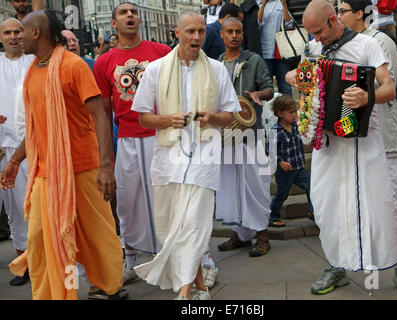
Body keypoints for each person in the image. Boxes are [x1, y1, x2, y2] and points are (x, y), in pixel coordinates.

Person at [286, 0, 397, 297]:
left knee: (383, 205)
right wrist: (293, 76)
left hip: (363, 139)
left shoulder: (367, 45)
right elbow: (300, 76)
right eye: (312, 34)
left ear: (334, 20)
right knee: (325, 206)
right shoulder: (314, 49)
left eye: (319, 31)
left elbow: (389, 89)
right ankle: (336, 264)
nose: (316, 39)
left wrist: (367, 95)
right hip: (328, 143)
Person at [0, 9, 127, 300]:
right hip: (46, 171)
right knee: (42, 240)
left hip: (83, 168)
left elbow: (100, 117)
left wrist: (106, 166)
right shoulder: (33, 70)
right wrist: (16, 160)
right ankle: (54, 294)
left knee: (96, 236)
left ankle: (106, 287)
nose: (17, 36)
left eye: (23, 30)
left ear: (36, 33)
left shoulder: (73, 66)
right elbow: (36, 128)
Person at [131, 10, 240, 300]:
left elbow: (230, 115)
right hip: (168, 159)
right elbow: (142, 118)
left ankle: (183, 293)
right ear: (177, 33)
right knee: (172, 228)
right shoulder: (155, 69)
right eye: (190, 31)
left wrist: (213, 117)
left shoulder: (217, 69)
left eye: (201, 31)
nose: (196, 37)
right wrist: (168, 120)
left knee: (194, 223)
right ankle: (200, 285)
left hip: (204, 155)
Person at [93, 2, 172, 286]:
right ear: (114, 23)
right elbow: (103, 110)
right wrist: (106, 153)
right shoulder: (104, 62)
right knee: (127, 201)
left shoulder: (162, 52)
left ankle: (179, 259)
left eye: (133, 12)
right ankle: (133, 260)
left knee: (169, 198)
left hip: (160, 136)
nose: (130, 15)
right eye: (124, 13)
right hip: (126, 139)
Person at [338, 0, 397, 260]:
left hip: (382, 121)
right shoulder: (346, 43)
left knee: (393, 181)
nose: (339, 16)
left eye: (343, 11)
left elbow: (389, 85)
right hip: (359, 126)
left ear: (359, 13)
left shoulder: (378, 40)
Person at [215, 18, 273, 256]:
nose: (235, 35)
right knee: (231, 186)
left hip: (251, 133)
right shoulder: (216, 63)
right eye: (230, 31)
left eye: (238, 31)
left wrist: (258, 94)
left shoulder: (254, 60)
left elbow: (269, 89)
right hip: (226, 136)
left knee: (255, 185)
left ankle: (263, 235)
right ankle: (241, 235)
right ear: (221, 35)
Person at [0, 18, 34, 286]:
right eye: (7, 32)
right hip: (3, 148)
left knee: (33, 205)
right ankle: (23, 263)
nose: (13, 36)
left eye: (17, 31)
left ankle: (41, 260)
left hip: (32, 144)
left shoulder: (34, 62)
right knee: (13, 208)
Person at [269, 95, 313, 227]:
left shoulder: (296, 126)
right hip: (285, 171)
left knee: (311, 185)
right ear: (280, 113)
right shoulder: (275, 131)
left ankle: (313, 211)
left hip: (298, 167)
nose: (294, 115)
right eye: (291, 112)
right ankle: (272, 216)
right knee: (282, 194)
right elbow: (271, 151)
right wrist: (280, 162)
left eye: (295, 111)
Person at [256, 0, 293, 96]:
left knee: (285, 88)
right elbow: (256, 26)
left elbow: (289, 25)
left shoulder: (279, 2)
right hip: (263, 52)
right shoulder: (256, 3)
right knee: (267, 88)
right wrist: (263, 5)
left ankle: (288, 110)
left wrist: (284, 5)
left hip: (281, 52)